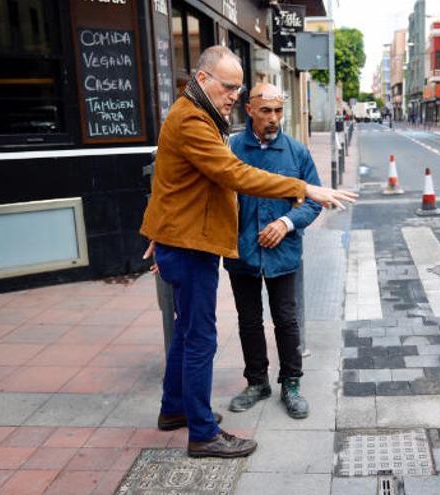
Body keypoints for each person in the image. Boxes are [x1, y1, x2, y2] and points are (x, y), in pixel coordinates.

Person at [140, 45, 356, 459]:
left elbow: (171, 183)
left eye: (239, 89)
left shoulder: (206, 119)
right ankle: (203, 433)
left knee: (195, 331)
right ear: (203, 80)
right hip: (193, 245)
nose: (233, 97)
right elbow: (231, 173)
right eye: (230, 88)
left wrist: (158, 230)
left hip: (192, 241)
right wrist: (303, 187)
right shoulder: (196, 121)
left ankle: (176, 408)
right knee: (201, 337)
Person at [223, 83, 322, 420]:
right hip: (242, 252)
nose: (273, 118)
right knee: (249, 321)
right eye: (266, 110)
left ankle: (291, 383)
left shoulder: (297, 152)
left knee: (286, 320)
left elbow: (313, 200)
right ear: (248, 109)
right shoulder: (231, 150)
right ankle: (257, 382)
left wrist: (286, 223)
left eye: (278, 111)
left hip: (284, 253)